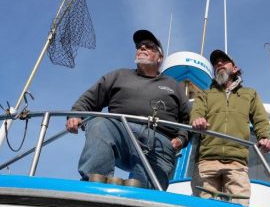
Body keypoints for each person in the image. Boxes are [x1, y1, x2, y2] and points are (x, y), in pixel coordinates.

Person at [66, 29, 190, 190]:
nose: (142, 48)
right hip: (120, 130)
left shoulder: (173, 85)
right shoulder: (118, 75)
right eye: (139, 46)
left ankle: (145, 201)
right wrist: (75, 115)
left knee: (147, 195)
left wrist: (182, 138)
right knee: (99, 123)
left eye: (149, 46)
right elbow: (89, 99)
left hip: (159, 140)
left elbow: (189, 117)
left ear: (160, 57)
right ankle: (94, 186)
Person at [190, 49, 270, 206]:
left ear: (235, 69)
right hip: (207, 160)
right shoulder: (205, 95)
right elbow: (196, 112)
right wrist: (197, 120)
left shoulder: (250, 94)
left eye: (224, 61)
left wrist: (265, 137)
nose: (219, 64)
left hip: (237, 162)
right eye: (216, 63)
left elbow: (260, 119)